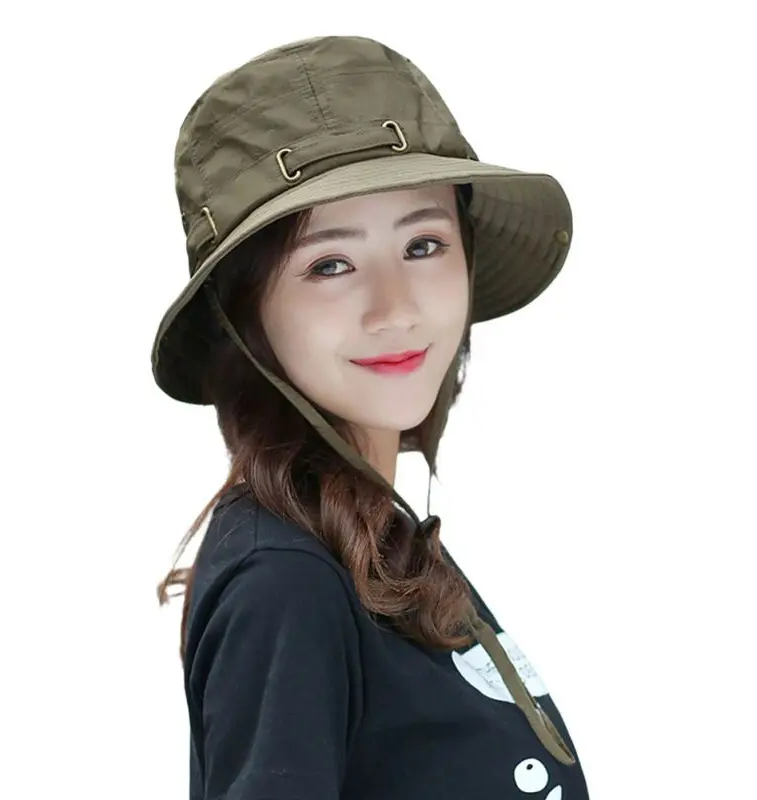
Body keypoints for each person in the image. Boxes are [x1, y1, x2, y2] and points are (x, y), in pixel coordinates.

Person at [151, 35, 589, 800]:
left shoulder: (368, 538)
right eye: (330, 264)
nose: (395, 309)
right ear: (245, 314)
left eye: (423, 244)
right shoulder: (285, 583)